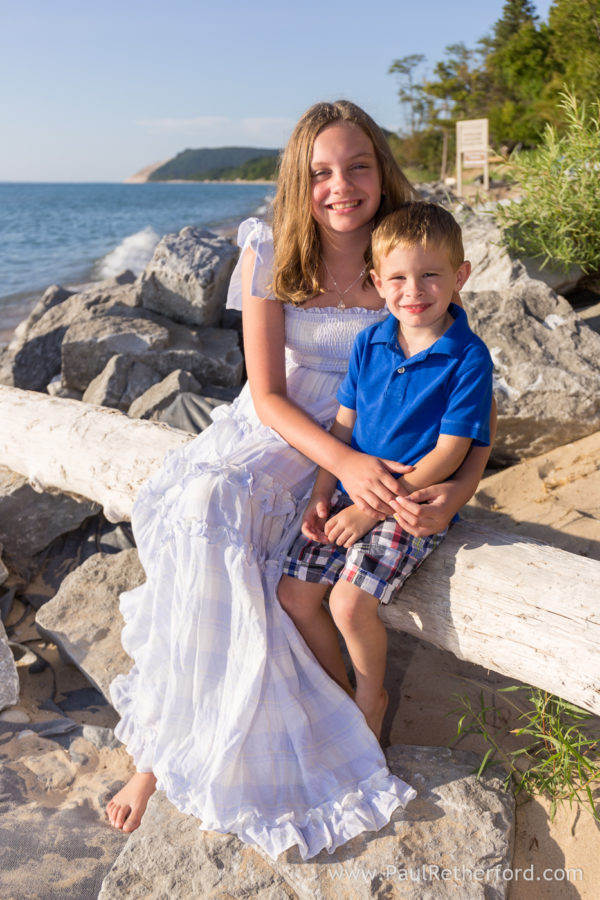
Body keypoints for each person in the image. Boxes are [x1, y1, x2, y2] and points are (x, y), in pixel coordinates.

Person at [105, 100, 496, 860]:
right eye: (321, 172)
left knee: (247, 537)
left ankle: (337, 711)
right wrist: (342, 464)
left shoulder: (410, 249)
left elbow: (465, 396)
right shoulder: (269, 248)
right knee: (204, 503)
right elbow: (269, 393)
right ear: (299, 180)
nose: (340, 185)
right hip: (287, 426)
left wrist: (460, 488)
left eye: (357, 166)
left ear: (381, 170)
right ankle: (162, 750)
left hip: (377, 431)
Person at [279, 202, 493, 739]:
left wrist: (374, 508)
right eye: (397, 277)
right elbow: (343, 431)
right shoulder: (368, 342)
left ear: (459, 276)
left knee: (349, 605)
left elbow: (450, 452)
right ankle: (338, 692)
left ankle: (371, 698)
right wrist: (322, 494)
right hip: (352, 491)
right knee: (294, 596)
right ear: (377, 281)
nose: (413, 290)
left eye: (430, 275)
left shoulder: (467, 356)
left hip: (408, 504)